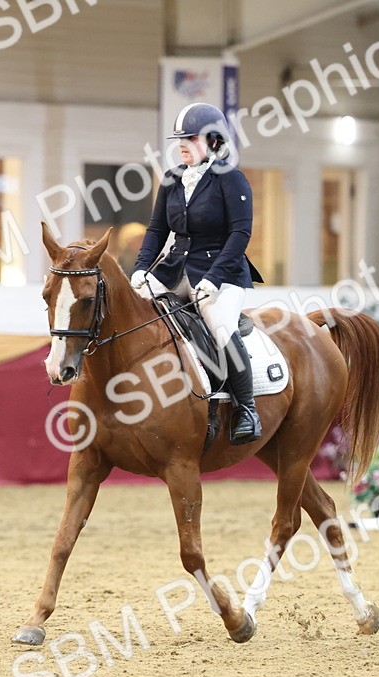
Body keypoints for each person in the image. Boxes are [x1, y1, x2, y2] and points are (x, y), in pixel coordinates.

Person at [130, 102, 264, 445]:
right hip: (176, 270)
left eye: (190, 138)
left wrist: (214, 279)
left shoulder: (231, 179)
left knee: (219, 327)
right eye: (180, 139)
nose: (182, 144)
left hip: (224, 272)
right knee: (131, 313)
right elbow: (157, 230)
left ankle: (246, 409)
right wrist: (142, 269)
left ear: (214, 141)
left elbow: (240, 235)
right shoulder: (173, 179)